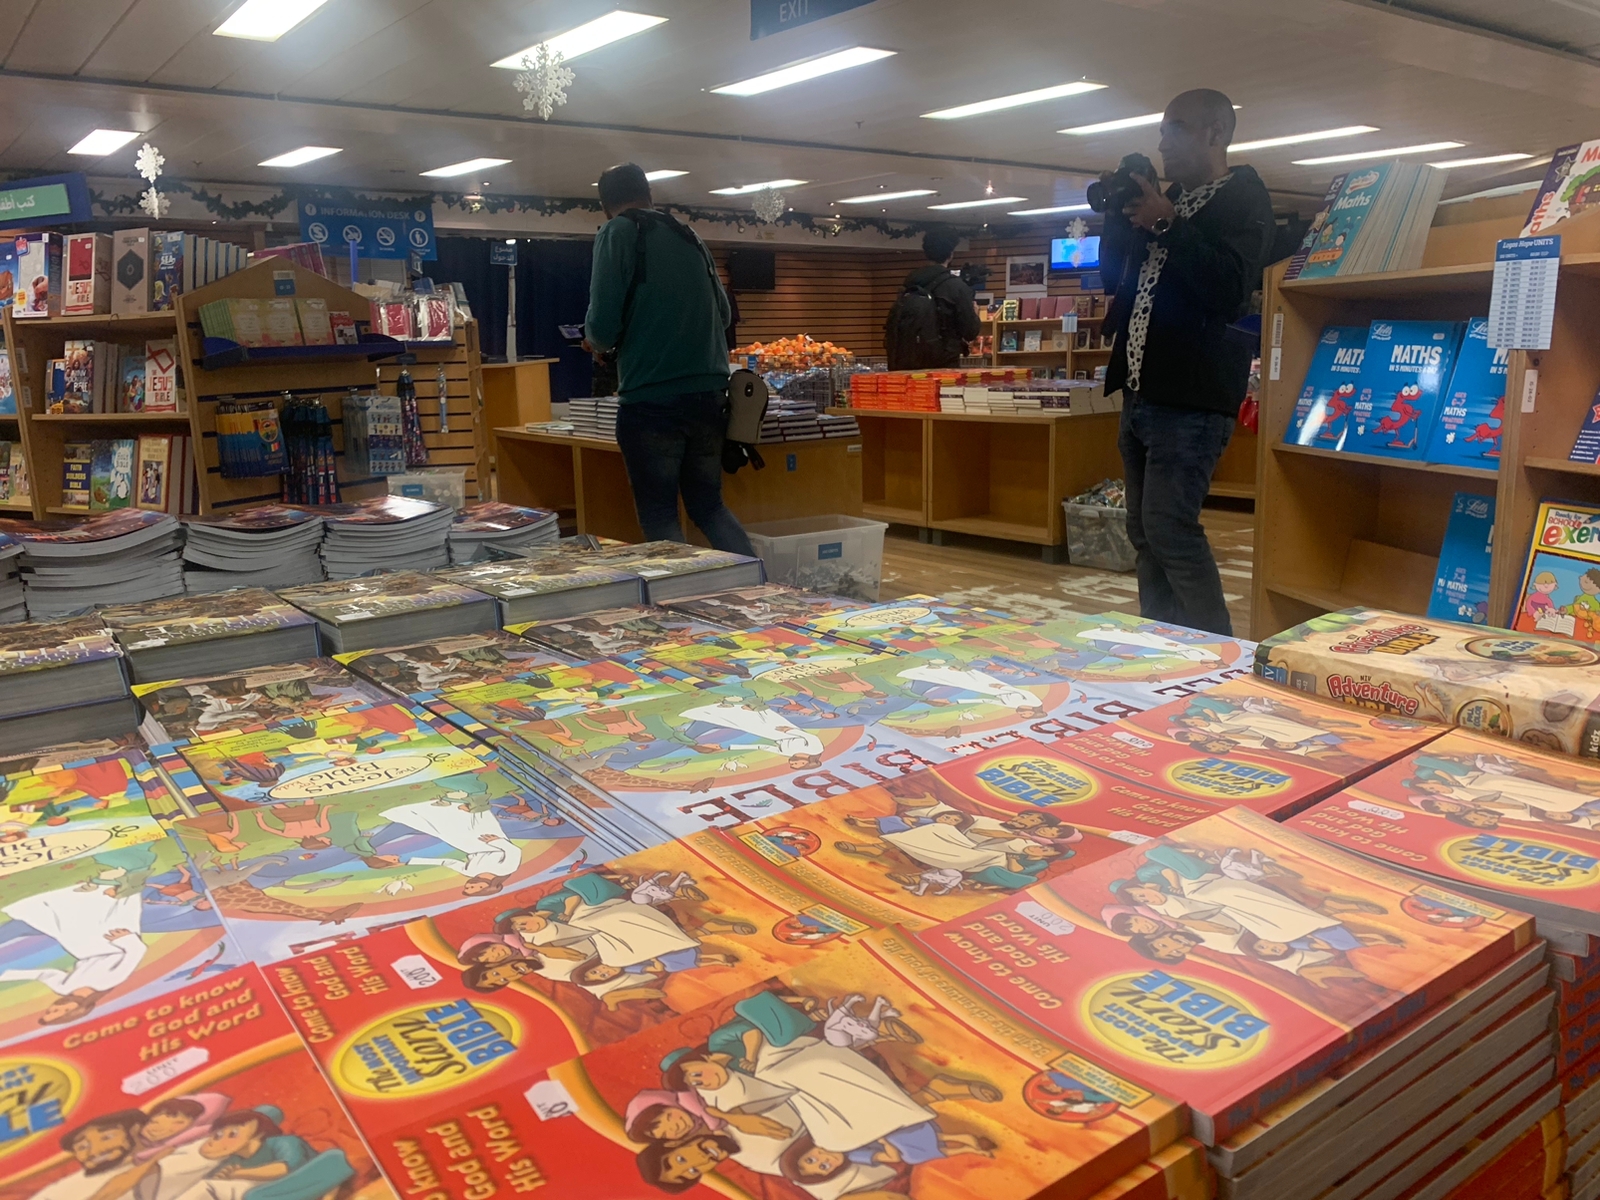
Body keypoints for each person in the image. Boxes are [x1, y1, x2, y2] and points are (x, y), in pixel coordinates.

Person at [1101, 88, 1274, 636]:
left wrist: (1168, 224)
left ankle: (1217, 654)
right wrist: (1120, 218)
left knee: (1170, 529)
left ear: (1215, 133)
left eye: (1175, 129)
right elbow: (1112, 280)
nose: (1162, 142)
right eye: (1161, 131)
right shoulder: (1169, 199)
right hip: (1140, 393)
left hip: (1193, 399)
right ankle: (1162, 644)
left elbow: (1229, 288)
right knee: (1144, 534)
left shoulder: (1244, 199)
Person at [583, 163, 753, 555]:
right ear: (649, 194)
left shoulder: (617, 231)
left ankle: (682, 590)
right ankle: (758, 584)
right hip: (710, 395)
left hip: (651, 398)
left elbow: (602, 327)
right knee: (709, 507)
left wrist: (597, 341)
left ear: (605, 204)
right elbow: (724, 315)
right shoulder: (688, 234)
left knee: (660, 516)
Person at [886, 230, 981, 369]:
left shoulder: (910, 283)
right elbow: (970, 331)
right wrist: (975, 314)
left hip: (909, 362)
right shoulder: (956, 287)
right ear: (951, 254)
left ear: (926, 253)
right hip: (944, 364)